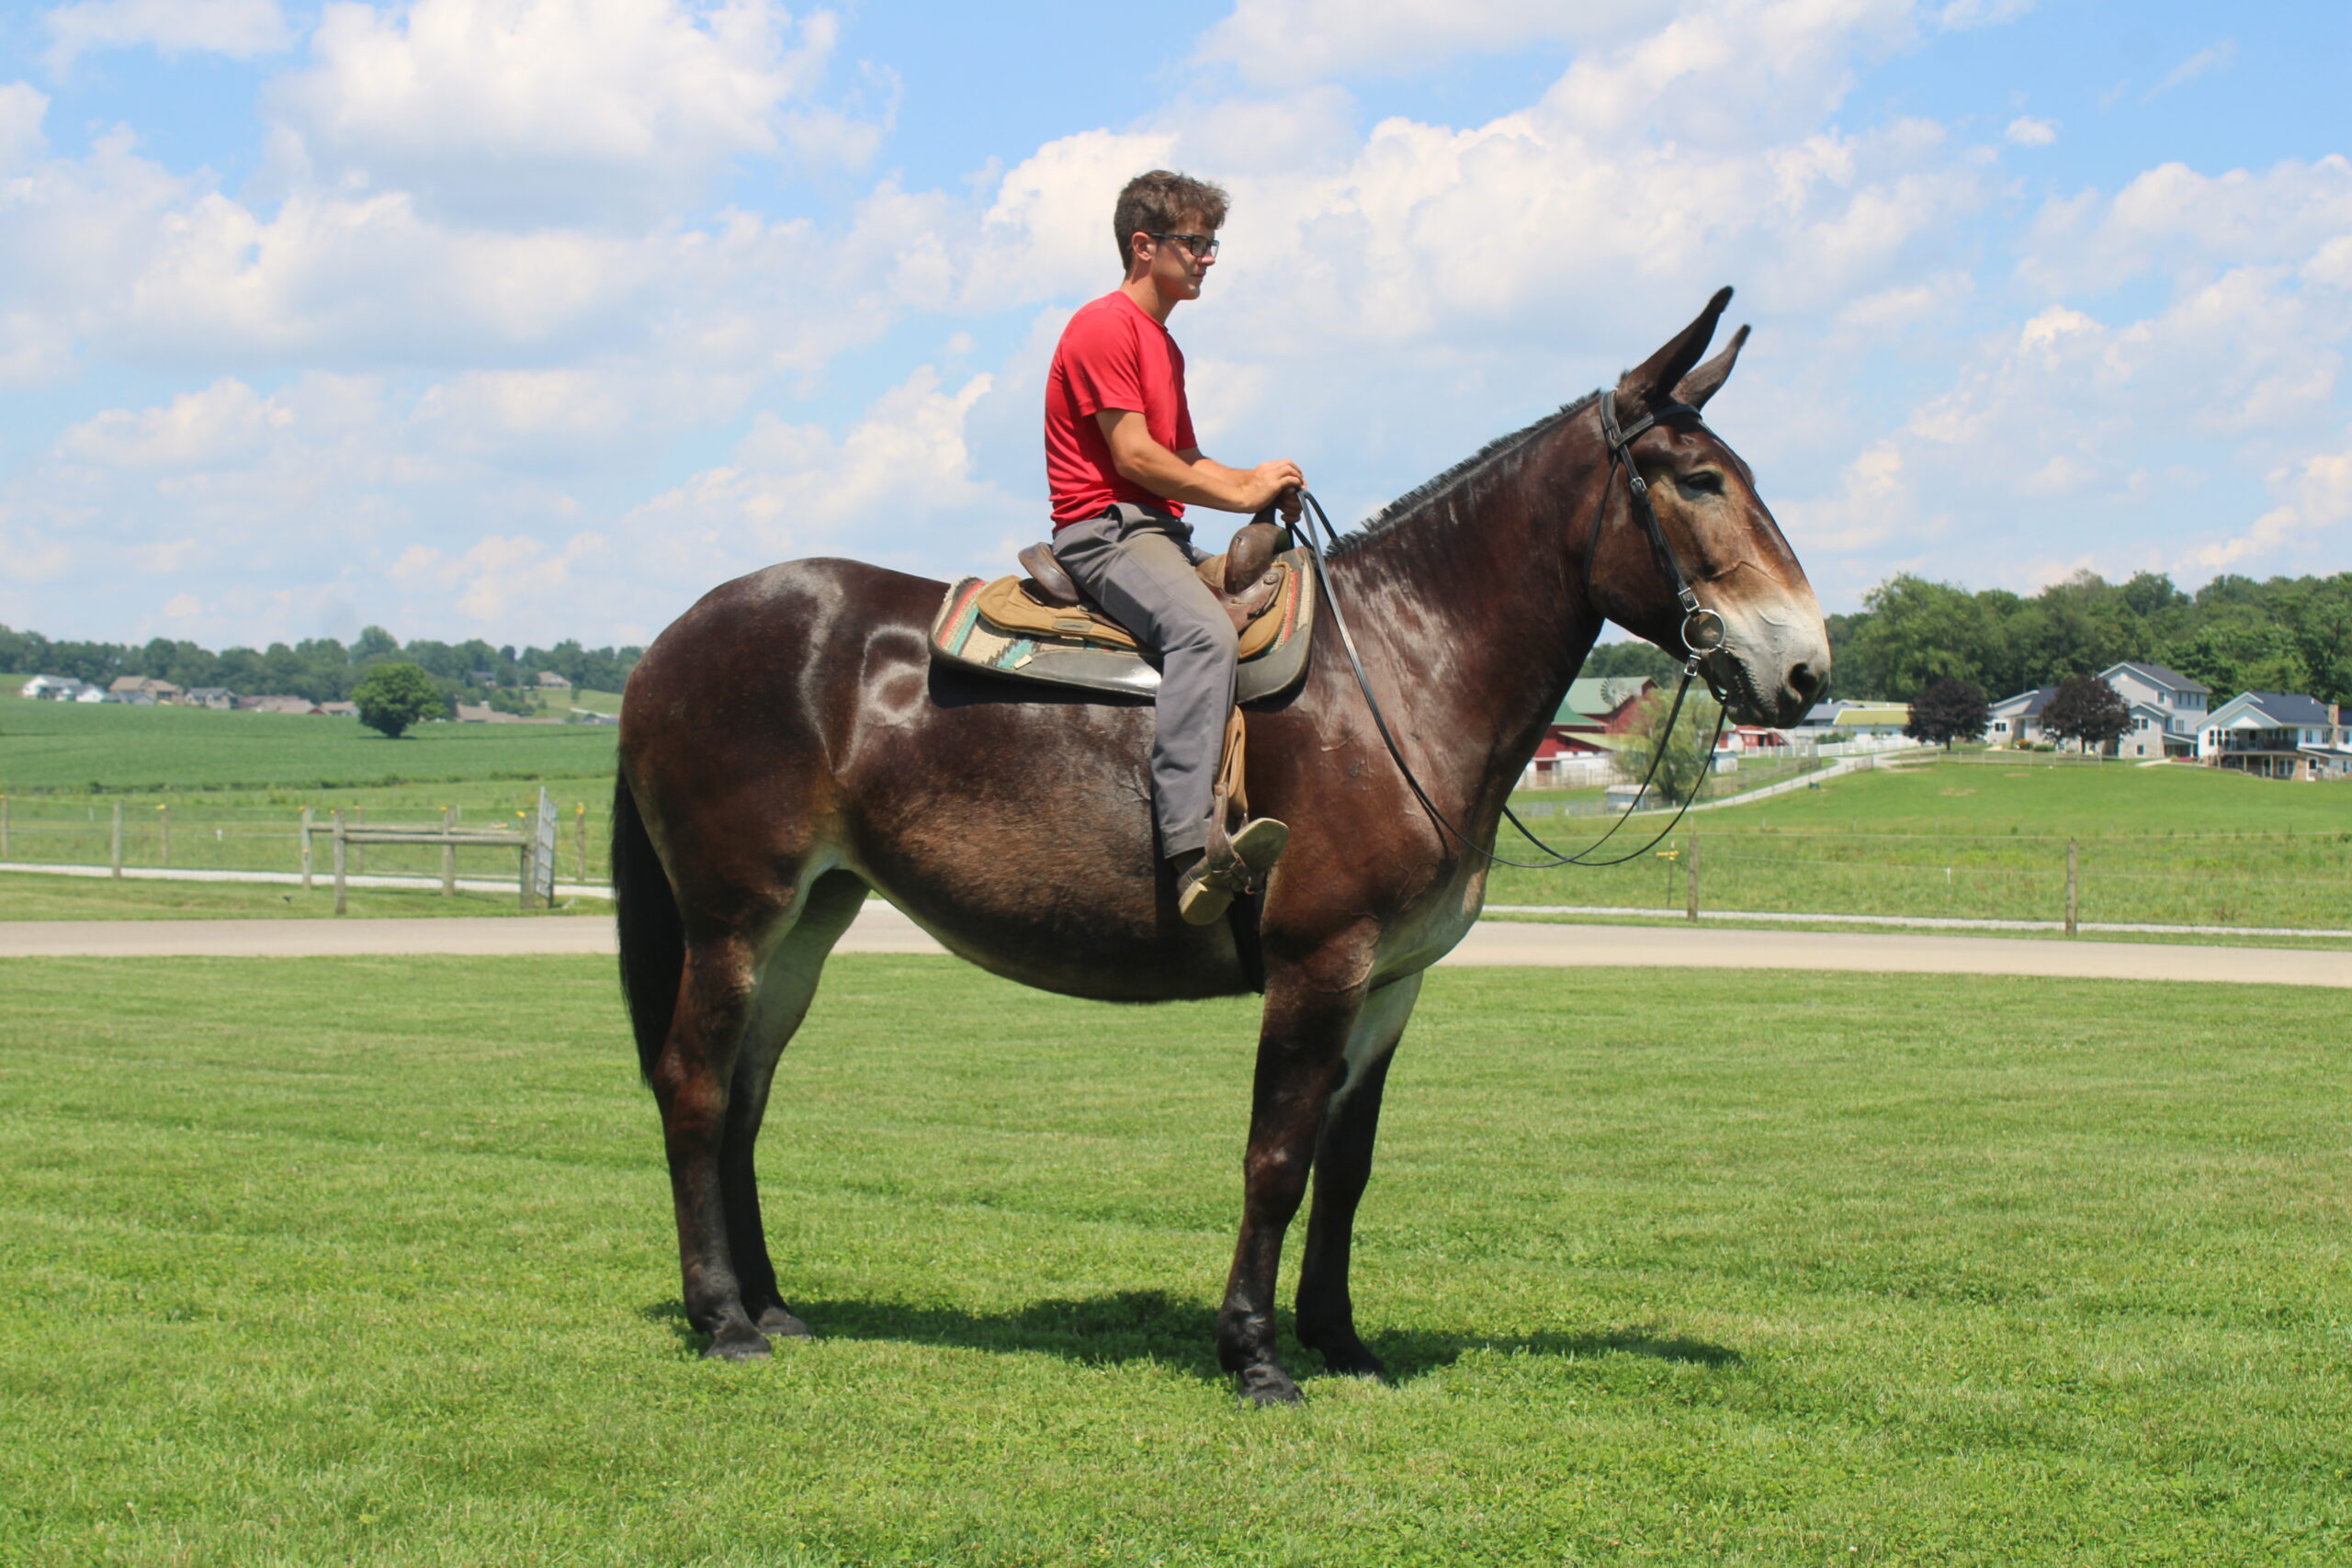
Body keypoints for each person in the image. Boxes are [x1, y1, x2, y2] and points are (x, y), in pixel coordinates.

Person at [1045, 169, 1299, 925]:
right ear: (1143, 245)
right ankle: (1191, 848)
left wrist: (1258, 482)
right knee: (1203, 632)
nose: (1208, 257)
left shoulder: (1164, 345)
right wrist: (1244, 492)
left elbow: (1183, 459)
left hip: (1160, 533)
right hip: (1105, 531)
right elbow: (1135, 456)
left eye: (1212, 243)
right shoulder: (1103, 326)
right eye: (1194, 242)